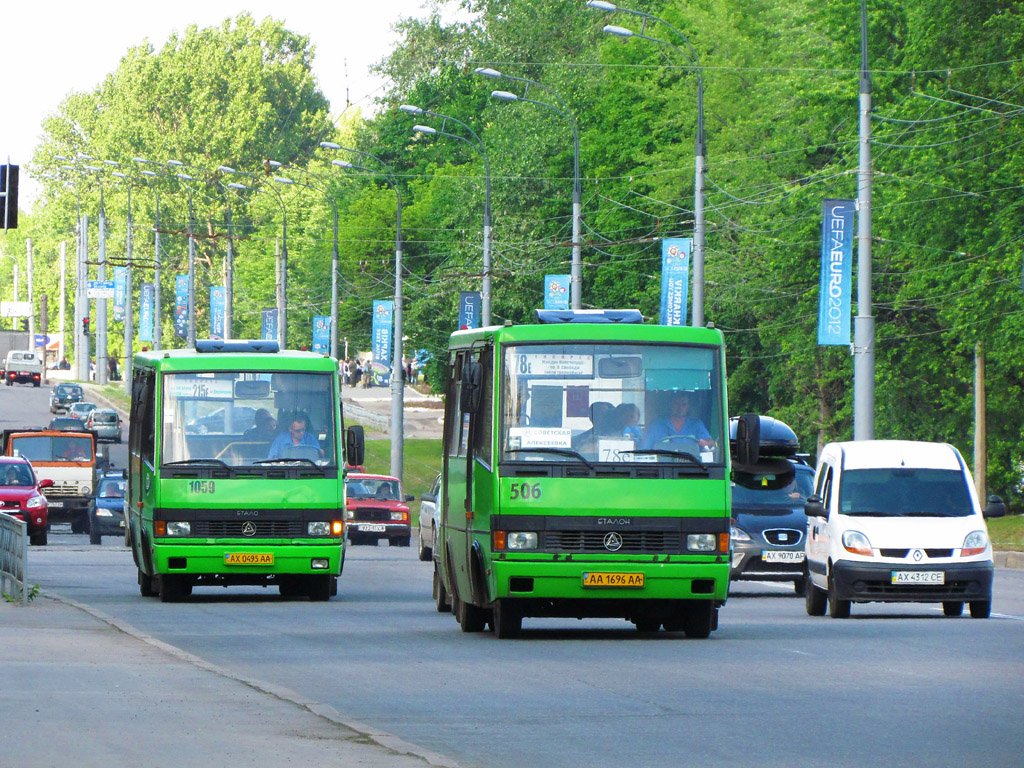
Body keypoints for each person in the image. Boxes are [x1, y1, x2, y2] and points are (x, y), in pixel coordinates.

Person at [642, 391, 713, 450]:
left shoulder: (696, 425)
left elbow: (710, 443)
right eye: (676, 403)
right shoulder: (656, 425)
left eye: (683, 404)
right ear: (670, 405)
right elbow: (644, 450)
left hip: (692, 466)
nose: (680, 408)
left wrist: (706, 443)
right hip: (662, 466)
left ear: (688, 407)